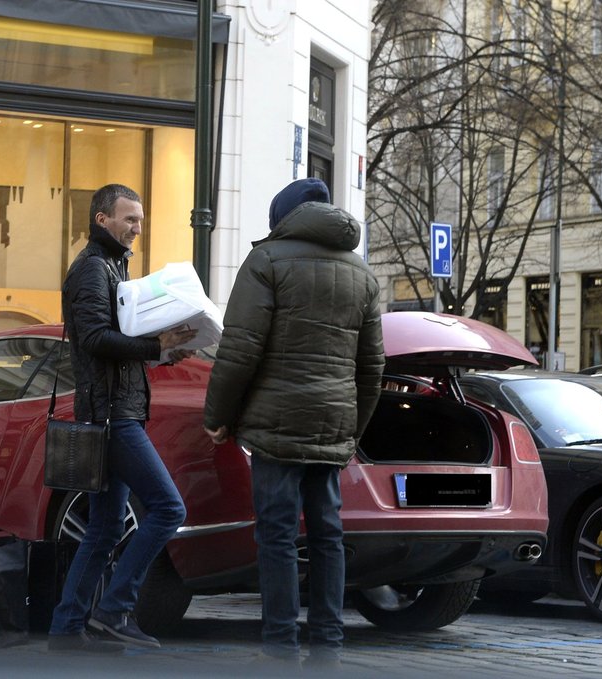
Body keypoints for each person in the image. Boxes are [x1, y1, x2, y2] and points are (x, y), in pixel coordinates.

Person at [203, 177, 385, 668]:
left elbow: (239, 350)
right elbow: (372, 367)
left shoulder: (266, 261)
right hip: (332, 424)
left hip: (275, 422)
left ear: (282, 219)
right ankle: (328, 642)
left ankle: (280, 644)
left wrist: (218, 416)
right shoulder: (362, 274)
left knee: (278, 533)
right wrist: (354, 431)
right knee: (327, 532)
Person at [48, 183, 197, 654]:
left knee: (106, 528)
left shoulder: (115, 266)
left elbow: (116, 345)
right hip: (112, 418)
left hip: (116, 412)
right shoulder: (93, 269)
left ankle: (67, 629)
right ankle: (113, 611)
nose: (137, 227)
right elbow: (93, 339)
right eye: (129, 219)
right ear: (101, 219)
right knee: (169, 509)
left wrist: (162, 352)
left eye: (140, 219)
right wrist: (157, 346)